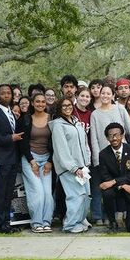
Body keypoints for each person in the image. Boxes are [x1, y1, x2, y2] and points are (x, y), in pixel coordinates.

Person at [89, 85, 130, 225]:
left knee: (123, 183)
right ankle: (101, 216)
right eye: (103, 93)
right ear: (99, 95)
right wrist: (96, 158)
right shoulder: (95, 114)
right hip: (105, 157)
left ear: (112, 95)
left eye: (108, 93)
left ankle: (123, 214)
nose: (105, 95)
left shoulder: (120, 109)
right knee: (105, 187)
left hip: (122, 153)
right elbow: (94, 138)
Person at [51, 98, 92, 233]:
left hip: (82, 166)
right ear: (59, 108)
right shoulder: (58, 125)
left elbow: (84, 142)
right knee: (76, 196)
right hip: (69, 168)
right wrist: (74, 168)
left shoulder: (76, 121)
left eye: (69, 105)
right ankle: (70, 224)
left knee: (86, 195)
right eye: (64, 106)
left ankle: (80, 219)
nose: (67, 107)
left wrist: (87, 161)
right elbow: (61, 149)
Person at [0, 84, 23, 234]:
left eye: (9, 93)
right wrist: (10, 138)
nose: (6, 95)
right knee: (0, 192)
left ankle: (7, 221)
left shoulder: (11, 112)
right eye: (3, 93)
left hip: (12, 158)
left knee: (9, 192)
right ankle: (0, 222)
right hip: (0, 159)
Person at [98, 123, 130, 233]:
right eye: (110, 136)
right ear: (107, 138)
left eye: (116, 135)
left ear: (122, 135)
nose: (114, 138)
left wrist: (115, 181)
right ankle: (112, 222)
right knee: (106, 193)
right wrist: (122, 185)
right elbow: (105, 176)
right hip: (117, 188)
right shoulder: (103, 154)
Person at [19, 93, 54, 233]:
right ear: (32, 103)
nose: (40, 104)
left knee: (47, 193)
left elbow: (55, 143)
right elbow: (22, 143)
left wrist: (50, 161)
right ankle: (36, 222)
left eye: (43, 101)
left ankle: (46, 222)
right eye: (37, 102)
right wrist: (31, 161)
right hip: (30, 158)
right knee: (37, 192)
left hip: (47, 159)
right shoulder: (26, 119)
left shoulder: (52, 119)